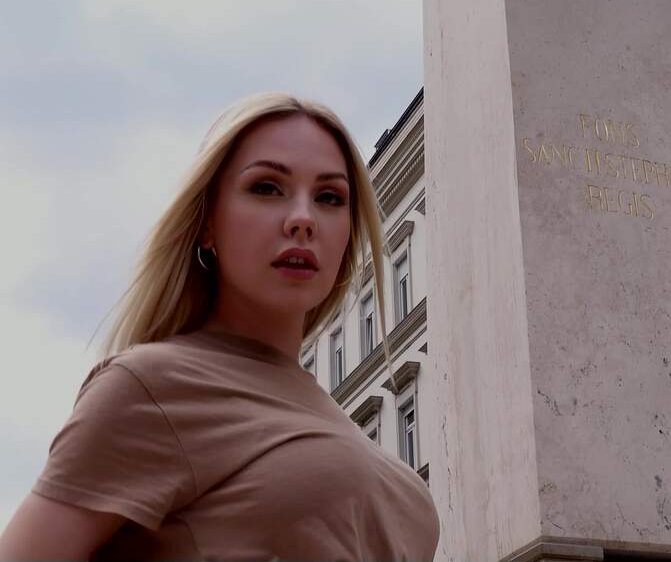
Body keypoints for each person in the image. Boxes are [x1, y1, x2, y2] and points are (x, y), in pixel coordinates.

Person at [0, 92, 440, 561]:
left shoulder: (385, 469)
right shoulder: (150, 387)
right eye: (267, 188)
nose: (303, 219)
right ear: (208, 223)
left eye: (329, 197)